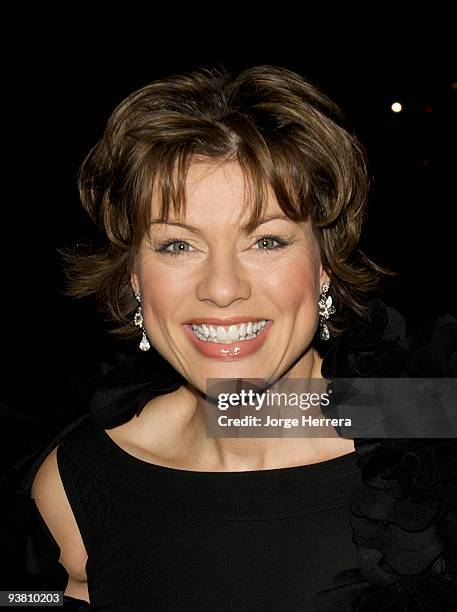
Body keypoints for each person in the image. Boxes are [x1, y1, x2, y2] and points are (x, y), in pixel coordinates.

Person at [2, 65, 456, 611]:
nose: (221, 289)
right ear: (132, 276)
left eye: (266, 241)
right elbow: (28, 599)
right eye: (177, 245)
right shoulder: (77, 482)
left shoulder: (432, 433)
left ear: (324, 267)